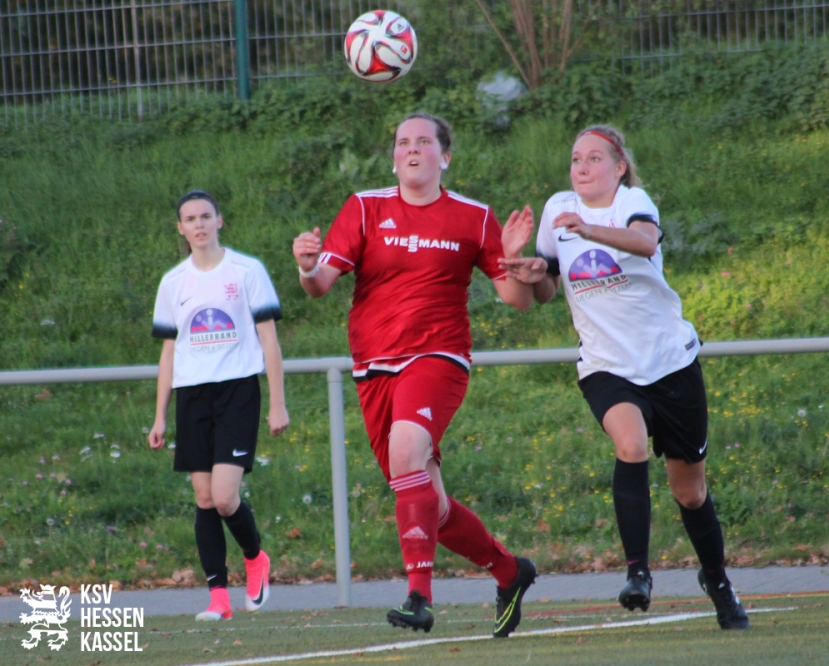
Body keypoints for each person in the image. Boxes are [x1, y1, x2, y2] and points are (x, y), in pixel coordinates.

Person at [291, 113, 537, 637]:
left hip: (437, 356)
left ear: (444, 156)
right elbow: (320, 285)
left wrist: (514, 260)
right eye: (404, 142)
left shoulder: (473, 217)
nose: (412, 149)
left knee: (406, 453)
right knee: (431, 505)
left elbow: (517, 300)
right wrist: (307, 266)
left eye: (424, 142)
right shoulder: (365, 207)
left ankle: (419, 598)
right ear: (394, 158)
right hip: (374, 366)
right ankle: (510, 571)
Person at [501, 126, 749, 630]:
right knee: (630, 445)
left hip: (670, 362)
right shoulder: (557, 209)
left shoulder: (633, 202)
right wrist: (529, 271)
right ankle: (638, 574)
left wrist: (589, 231)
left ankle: (718, 582)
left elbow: (644, 241)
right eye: (576, 158)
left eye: (595, 158)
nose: (582, 166)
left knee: (690, 493)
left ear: (619, 168)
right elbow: (546, 291)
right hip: (606, 366)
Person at [148, 190, 289, 621]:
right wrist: (159, 416)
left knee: (226, 498)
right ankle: (219, 600)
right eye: (190, 219)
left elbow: (269, 340)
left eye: (206, 216)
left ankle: (255, 558)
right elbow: (169, 352)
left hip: (237, 391)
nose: (199, 225)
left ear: (219, 220)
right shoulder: (173, 282)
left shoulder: (247, 270)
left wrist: (278, 403)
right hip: (192, 395)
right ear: (180, 228)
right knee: (205, 498)